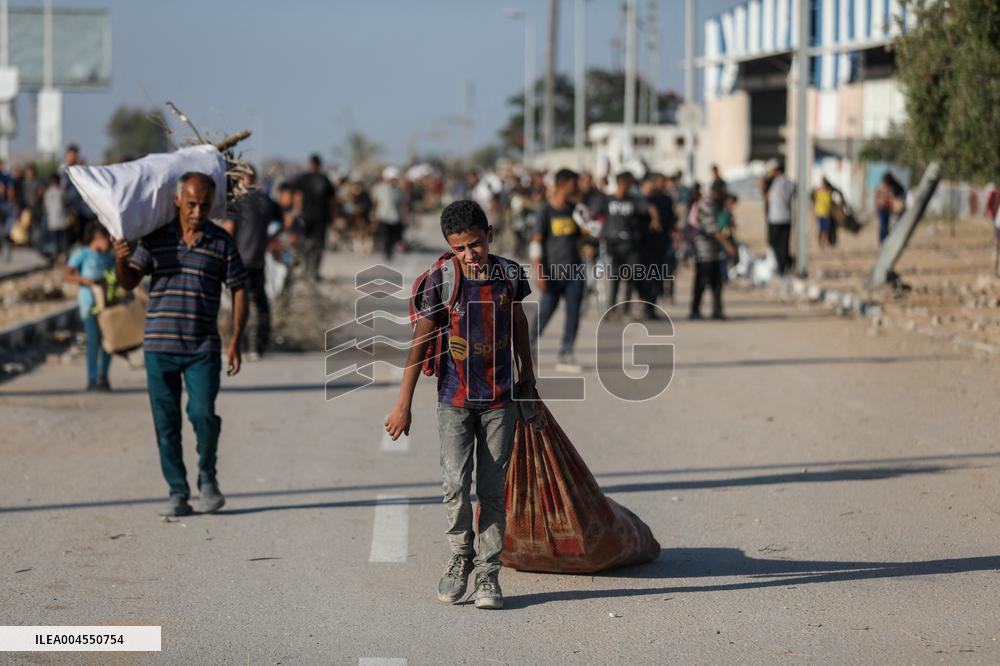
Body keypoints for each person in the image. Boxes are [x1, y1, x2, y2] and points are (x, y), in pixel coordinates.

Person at [384, 200, 535, 610]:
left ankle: (488, 573)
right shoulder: (442, 280)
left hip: (500, 399)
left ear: (489, 234)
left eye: (476, 244)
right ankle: (459, 557)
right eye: (460, 248)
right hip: (454, 399)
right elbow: (419, 343)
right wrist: (403, 404)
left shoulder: (509, 275)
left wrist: (529, 377)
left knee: (491, 488)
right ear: (450, 247)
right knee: (455, 484)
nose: (470, 255)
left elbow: (518, 323)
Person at [114, 172, 248, 518]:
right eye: (191, 204)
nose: (197, 212)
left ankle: (207, 479)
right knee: (166, 422)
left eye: (204, 205)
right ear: (177, 201)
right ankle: (177, 490)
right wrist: (120, 258)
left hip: (202, 347)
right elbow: (129, 280)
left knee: (202, 414)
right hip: (159, 347)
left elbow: (239, 288)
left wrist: (235, 339)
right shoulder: (155, 239)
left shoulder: (220, 242)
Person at [531, 168, 587, 368]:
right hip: (552, 271)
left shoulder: (575, 209)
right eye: (574, 183)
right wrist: (539, 272)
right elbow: (536, 242)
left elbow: (583, 235)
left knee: (573, 312)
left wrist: (588, 232)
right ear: (563, 184)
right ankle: (527, 346)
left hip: (575, 271)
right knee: (546, 310)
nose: (577, 187)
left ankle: (566, 352)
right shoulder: (545, 210)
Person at [226, 166, 279, 358]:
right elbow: (285, 222)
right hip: (258, 260)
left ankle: (238, 344)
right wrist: (269, 242)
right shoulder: (266, 200)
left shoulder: (237, 202)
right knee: (260, 303)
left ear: (241, 180)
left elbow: (229, 229)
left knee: (240, 304)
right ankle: (259, 346)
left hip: (240, 261)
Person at [600, 171, 659, 317]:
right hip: (613, 246)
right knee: (615, 278)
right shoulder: (607, 200)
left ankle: (625, 308)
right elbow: (593, 211)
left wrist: (655, 219)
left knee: (630, 278)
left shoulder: (634, 200)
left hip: (631, 246)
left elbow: (650, 208)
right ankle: (611, 309)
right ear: (621, 183)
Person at [65, 223, 115, 391]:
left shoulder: (110, 257)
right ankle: (92, 378)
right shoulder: (83, 254)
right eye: (106, 238)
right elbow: (68, 274)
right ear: (97, 238)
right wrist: (84, 281)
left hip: (108, 305)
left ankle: (104, 376)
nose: (109, 242)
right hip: (89, 305)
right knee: (93, 342)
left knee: (109, 342)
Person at [689, 187, 733, 320]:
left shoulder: (717, 206)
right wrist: (728, 245)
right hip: (704, 251)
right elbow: (712, 228)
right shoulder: (706, 204)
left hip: (715, 251)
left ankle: (717, 310)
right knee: (701, 282)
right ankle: (695, 311)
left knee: (717, 283)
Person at [296, 154, 336, 280]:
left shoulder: (304, 178)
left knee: (307, 244)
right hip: (320, 217)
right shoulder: (325, 179)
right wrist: (333, 217)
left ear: (311, 164)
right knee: (317, 245)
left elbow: (298, 196)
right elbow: (332, 202)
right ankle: (312, 270)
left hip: (308, 217)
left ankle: (309, 269)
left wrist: (298, 212)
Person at [641, 173, 675, 314]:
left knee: (658, 275)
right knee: (647, 275)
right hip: (647, 242)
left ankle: (652, 307)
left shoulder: (667, 200)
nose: (663, 184)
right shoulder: (645, 200)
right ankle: (646, 306)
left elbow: (671, 220)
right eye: (660, 181)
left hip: (662, 242)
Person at [371, 166, 409, 260]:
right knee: (386, 236)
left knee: (393, 236)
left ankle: (390, 251)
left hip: (396, 217)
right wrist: (374, 215)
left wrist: (405, 217)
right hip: (383, 216)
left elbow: (403, 204)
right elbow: (376, 202)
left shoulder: (399, 190)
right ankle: (386, 252)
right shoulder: (379, 188)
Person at [766, 162, 795, 274]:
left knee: (774, 243)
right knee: (784, 243)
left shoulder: (774, 182)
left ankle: (777, 265)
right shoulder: (789, 183)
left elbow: (764, 190)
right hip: (786, 218)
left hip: (775, 218)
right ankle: (783, 265)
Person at [44, 174, 70, 261]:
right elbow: (67, 203)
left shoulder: (48, 192)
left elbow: (46, 206)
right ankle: (62, 257)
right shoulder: (62, 191)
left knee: (57, 241)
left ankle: (58, 257)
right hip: (61, 221)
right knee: (62, 241)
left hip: (55, 221)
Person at [813, 177, 834, 250]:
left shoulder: (829, 193)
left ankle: (824, 243)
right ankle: (821, 243)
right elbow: (815, 203)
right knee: (821, 229)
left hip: (826, 214)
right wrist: (814, 214)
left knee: (826, 230)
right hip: (819, 213)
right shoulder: (818, 192)